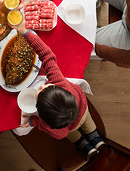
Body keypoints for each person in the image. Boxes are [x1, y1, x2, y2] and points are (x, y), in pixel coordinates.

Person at [11, 18, 104, 160]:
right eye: (46, 88)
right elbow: (47, 55)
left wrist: (31, 122)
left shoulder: (51, 125)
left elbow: (61, 134)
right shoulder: (60, 82)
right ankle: (94, 136)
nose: (42, 86)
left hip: (69, 127)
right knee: (87, 122)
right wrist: (25, 32)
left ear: (40, 112)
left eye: (39, 93)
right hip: (83, 110)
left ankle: (82, 142)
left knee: (72, 134)